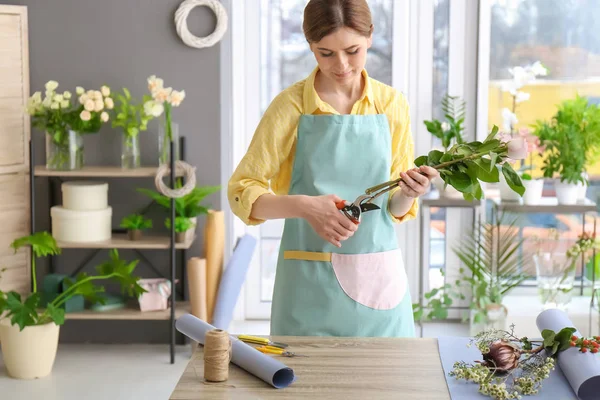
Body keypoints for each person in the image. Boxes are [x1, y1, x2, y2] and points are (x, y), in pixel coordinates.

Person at [228, 0, 439, 337]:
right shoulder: (291, 106)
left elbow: (393, 208)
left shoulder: (391, 104)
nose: (340, 65)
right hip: (309, 287)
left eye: (352, 50)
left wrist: (410, 193)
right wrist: (305, 206)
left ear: (369, 37)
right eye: (325, 53)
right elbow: (242, 191)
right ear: (310, 45)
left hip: (377, 283)